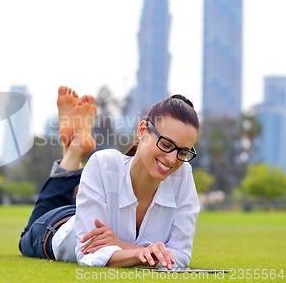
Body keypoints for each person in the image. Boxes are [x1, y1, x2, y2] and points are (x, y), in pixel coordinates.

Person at [19, 86, 200, 269]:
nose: (171, 159)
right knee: (27, 235)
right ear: (142, 130)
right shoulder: (104, 163)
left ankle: (73, 148)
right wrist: (140, 252)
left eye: (183, 152)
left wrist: (121, 244)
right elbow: (88, 252)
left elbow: (181, 255)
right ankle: (73, 152)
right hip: (57, 227)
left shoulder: (183, 175)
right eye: (166, 144)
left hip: (85, 213)